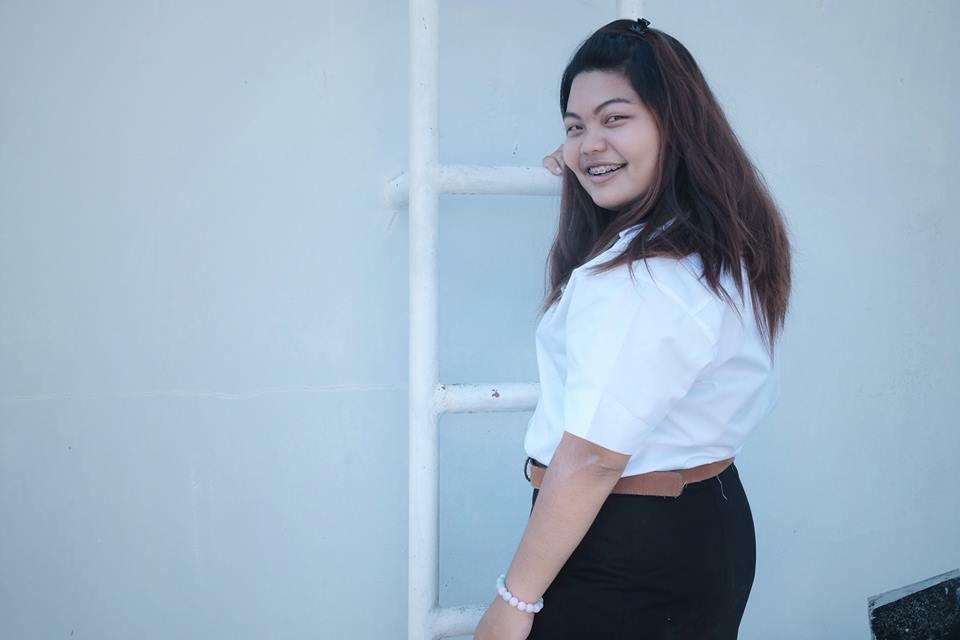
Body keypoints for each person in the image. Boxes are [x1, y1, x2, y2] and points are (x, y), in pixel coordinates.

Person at [474, 17, 792, 640]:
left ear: (676, 125)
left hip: (626, 547)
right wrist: (599, 159)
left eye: (615, 118)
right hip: (703, 522)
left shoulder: (638, 279)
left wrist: (514, 601)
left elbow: (593, 458)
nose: (588, 143)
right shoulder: (717, 243)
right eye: (574, 127)